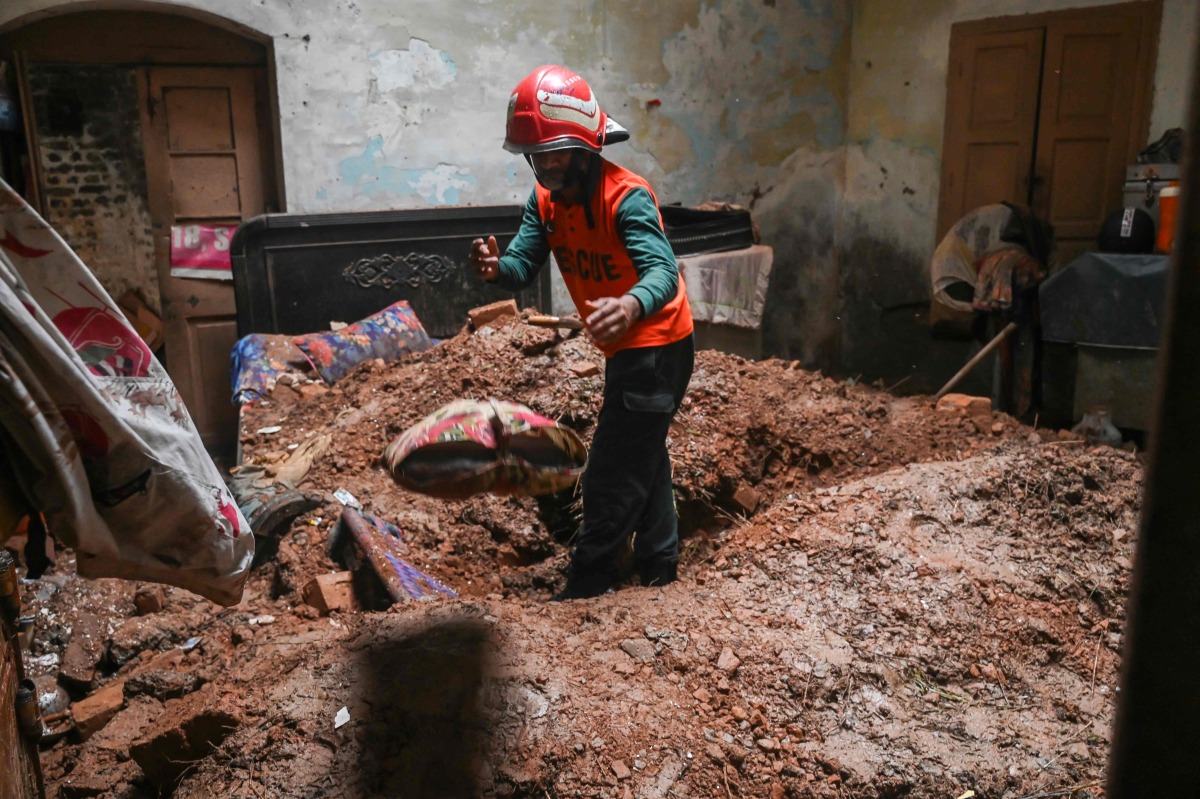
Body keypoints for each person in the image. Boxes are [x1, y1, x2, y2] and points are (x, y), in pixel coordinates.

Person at [469, 65, 694, 600]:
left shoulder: (627, 197)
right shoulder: (546, 199)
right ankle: (660, 565)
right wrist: (496, 270)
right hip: (623, 346)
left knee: (610, 474)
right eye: (535, 155)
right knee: (644, 452)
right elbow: (523, 264)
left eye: (555, 153)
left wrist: (632, 304)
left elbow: (665, 273)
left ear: (587, 146)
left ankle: (590, 580)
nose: (545, 166)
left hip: (657, 348)